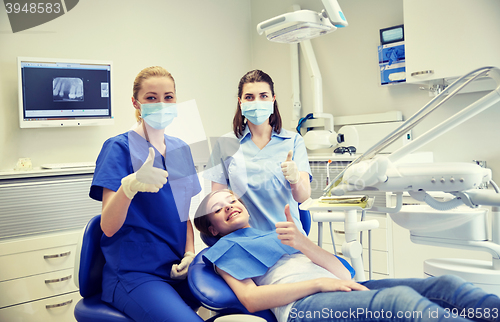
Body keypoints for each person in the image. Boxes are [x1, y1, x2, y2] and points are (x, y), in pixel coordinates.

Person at [194, 189, 500, 322]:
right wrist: (317, 285)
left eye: (232, 199)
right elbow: (251, 299)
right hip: (304, 308)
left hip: (335, 288)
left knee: (447, 286)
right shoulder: (223, 250)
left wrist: (304, 244)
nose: (230, 205)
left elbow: (343, 275)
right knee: (399, 302)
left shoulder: (277, 233)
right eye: (219, 207)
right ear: (212, 228)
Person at [89, 66, 204, 322]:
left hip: (176, 269)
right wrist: (128, 187)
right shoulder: (117, 148)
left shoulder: (180, 149)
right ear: (136, 103)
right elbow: (108, 226)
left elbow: (183, 213)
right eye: (151, 98)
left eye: (168, 97)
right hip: (134, 273)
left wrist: (189, 253)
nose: (161, 104)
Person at [204, 69, 312, 234]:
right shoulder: (225, 144)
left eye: (263, 96)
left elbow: (303, 197)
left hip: (289, 238)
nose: (257, 102)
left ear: (273, 100)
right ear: (240, 102)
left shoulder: (294, 141)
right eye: (249, 97)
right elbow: (218, 203)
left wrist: (296, 179)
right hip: (246, 239)